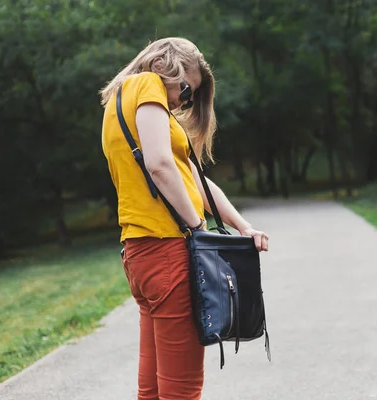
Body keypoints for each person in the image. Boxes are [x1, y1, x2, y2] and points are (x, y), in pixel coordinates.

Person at [100, 37, 269, 400]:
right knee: (182, 390)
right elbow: (160, 166)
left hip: (141, 254)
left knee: (153, 389)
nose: (182, 101)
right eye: (185, 89)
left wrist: (242, 225)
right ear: (162, 63)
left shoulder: (120, 103)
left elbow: (196, 179)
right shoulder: (146, 85)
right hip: (167, 252)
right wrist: (197, 228)